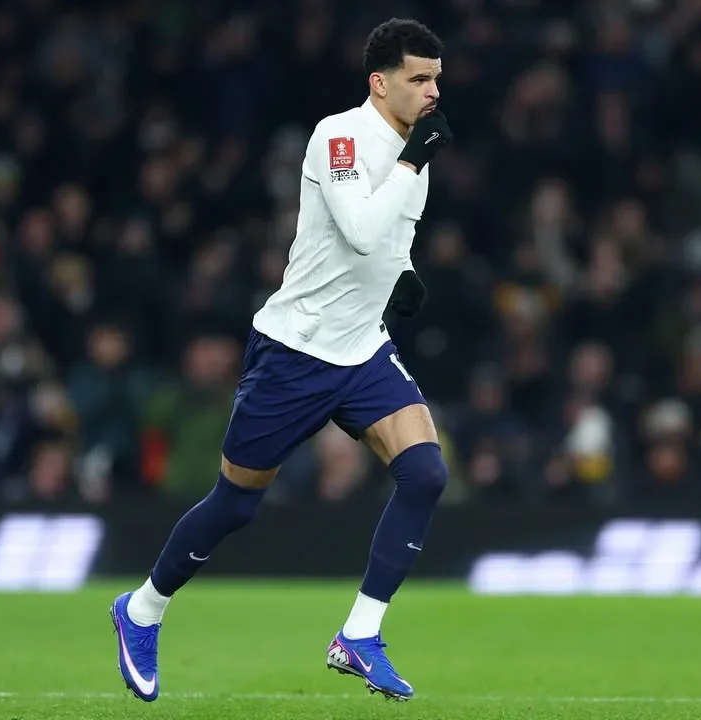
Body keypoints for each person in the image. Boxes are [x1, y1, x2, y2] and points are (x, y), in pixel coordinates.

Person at [109, 18, 453, 703]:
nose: (433, 90)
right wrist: (415, 161)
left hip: (361, 350)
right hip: (295, 351)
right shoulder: (342, 136)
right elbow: (357, 231)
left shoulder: (417, 148)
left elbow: (389, 239)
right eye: (419, 78)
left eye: (437, 77)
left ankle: (359, 634)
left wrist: (405, 273)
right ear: (379, 82)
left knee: (425, 473)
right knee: (236, 505)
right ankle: (142, 609)